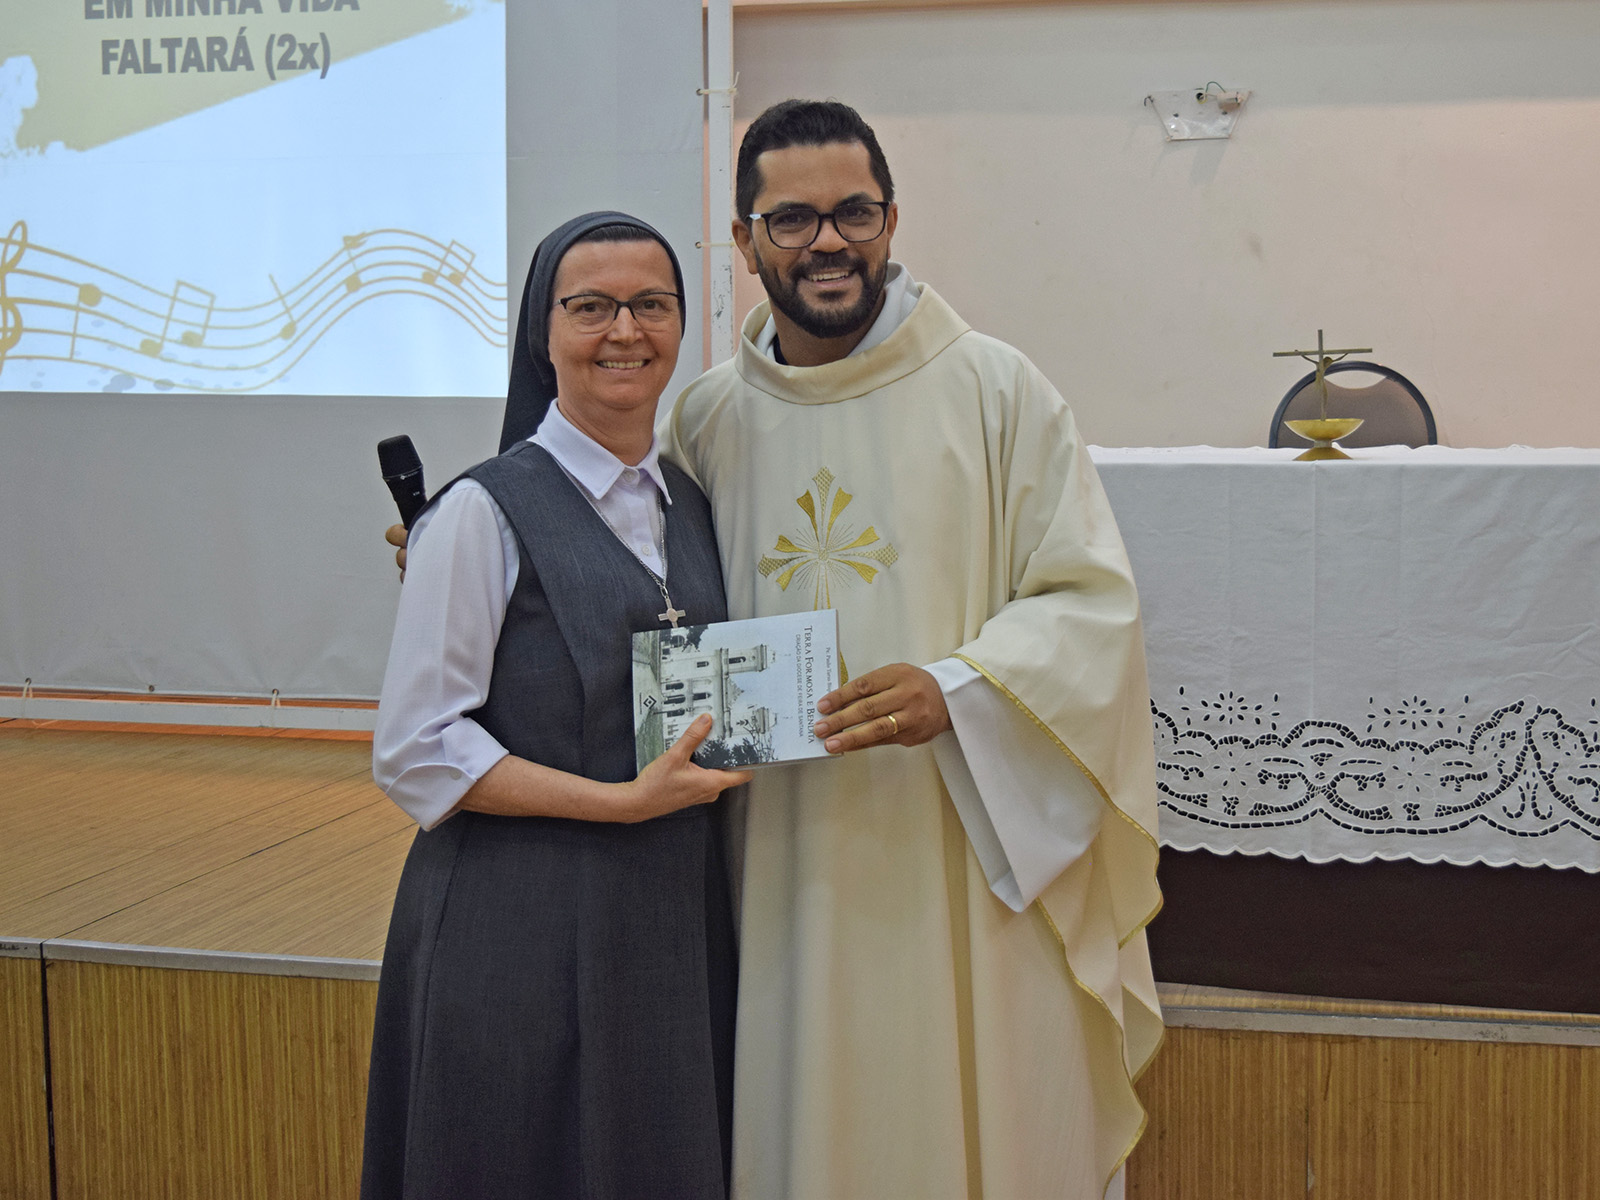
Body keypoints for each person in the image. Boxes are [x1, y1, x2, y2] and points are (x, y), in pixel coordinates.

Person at [654, 101, 1165, 1199]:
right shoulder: (704, 421)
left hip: (962, 843)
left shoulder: (995, 389)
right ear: (743, 240)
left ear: (891, 220)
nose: (827, 243)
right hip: (780, 851)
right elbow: (635, 596)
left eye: (854, 213)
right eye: (792, 220)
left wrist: (960, 689)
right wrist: (475, 545)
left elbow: (1090, 603)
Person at [362, 211, 751, 1200]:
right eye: (591, 308)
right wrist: (619, 804)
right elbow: (415, 747)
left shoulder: (692, 501)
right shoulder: (477, 513)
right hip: (515, 924)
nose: (625, 330)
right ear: (544, 332)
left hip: (662, 921)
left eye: (652, 305)